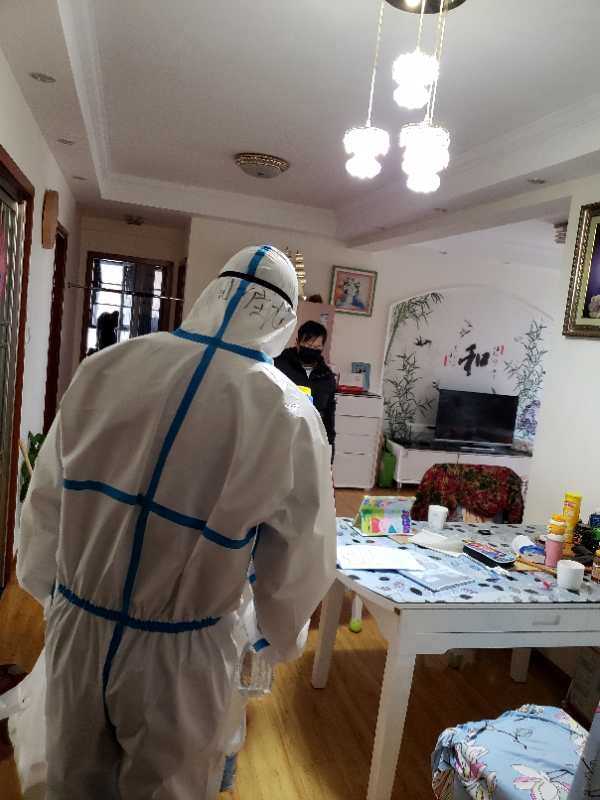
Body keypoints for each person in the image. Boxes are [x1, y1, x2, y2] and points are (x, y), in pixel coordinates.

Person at [17, 245, 336, 800]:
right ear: (285, 321)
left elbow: (46, 499)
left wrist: (52, 591)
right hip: (182, 655)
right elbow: (301, 557)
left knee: (71, 782)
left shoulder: (107, 366)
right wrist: (274, 636)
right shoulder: (289, 414)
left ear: (212, 292)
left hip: (79, 626)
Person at [274, 320, 337, 455]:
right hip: (280, 438)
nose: (312, 350)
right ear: (297, 342)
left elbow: (329, 418)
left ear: (322, 347)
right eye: (308, 345)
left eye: (317, 347)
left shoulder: (326, 377)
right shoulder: (279, 365)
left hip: (310, 442)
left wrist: (329, 452)